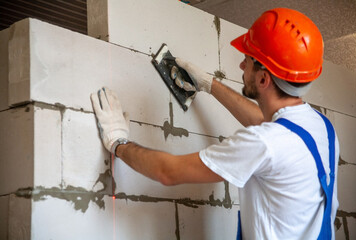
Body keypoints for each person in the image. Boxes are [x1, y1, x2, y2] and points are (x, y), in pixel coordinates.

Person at [90, 8, 339, 240]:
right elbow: (266, 124)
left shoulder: (264, 143)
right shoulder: (322, 128)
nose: (241, 65)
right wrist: (209, 84)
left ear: (263, 79)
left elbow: (169, 172)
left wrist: (118, 142)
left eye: (248, 60)